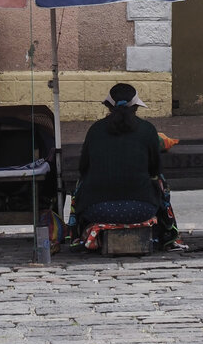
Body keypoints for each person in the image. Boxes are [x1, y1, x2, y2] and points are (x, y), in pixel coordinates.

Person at [72, 82, 182, 251]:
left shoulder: (95, 130)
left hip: (96, 209)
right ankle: (167, 232)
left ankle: (76, 234)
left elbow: (83, 168)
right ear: (136, 107)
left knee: (81, 183)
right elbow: (155, 170)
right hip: (143, 209)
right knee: (160, 181)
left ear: (109, 106)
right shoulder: (147, 130)